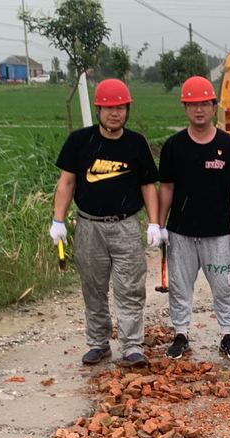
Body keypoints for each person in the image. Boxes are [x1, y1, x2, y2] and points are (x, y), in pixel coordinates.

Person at [50, 78, 161, 368]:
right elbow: (67, 182)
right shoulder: (79, 141)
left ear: (127, 110)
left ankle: (132, 345)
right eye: (109, 108)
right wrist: (58, 220)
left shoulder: (136, 143)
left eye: (121, 108)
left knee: (130, 287)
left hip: (126, 226)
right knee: (93, 287)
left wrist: (154, 223)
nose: (115, 113)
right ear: (98, 109)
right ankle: (98, 343)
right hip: (89, 226)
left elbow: (148, 185)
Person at [157, 76, 230, 361]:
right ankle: (181, 334)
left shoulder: (229, 145)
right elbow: (167, 187)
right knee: (180, 286)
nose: (198, 110)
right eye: (192, 105)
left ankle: (227, 334)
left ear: (214, 106)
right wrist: (158, 225)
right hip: (181, 232)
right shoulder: (174, 146)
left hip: (218, 233)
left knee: (223, 285)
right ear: (185, 108)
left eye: (204, 104)